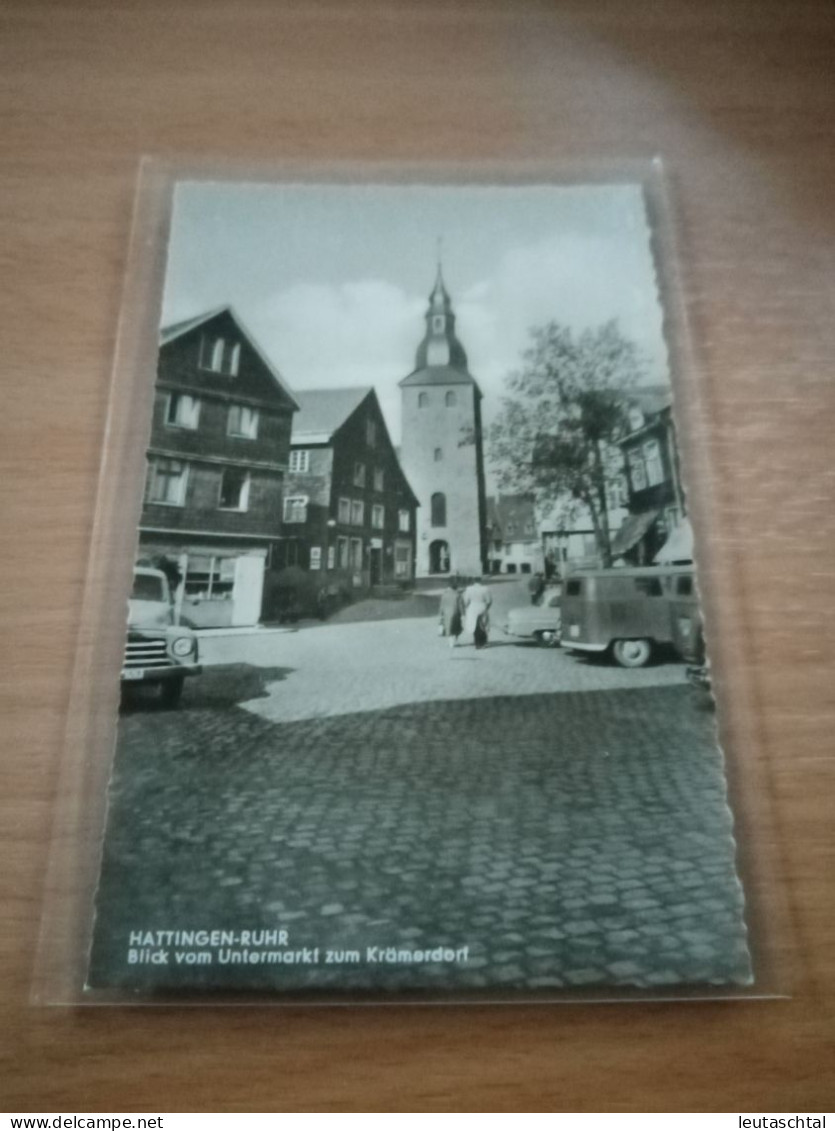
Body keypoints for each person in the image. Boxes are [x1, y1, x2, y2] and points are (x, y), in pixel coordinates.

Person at [462, 577, 492, 649]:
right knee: (483, 625)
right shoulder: (485, 589)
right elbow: (489, 601)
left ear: (473, 581)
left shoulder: (469, 589)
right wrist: (486, 608)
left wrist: (467, 607)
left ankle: (477, 643)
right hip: (482, 606)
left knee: (475, 626)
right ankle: (483, 642)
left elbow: (466, 601)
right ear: (480, 581)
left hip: (472, 608)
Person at [438, 581, 464, 648]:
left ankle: (450, 642)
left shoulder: (444, 594)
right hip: (456, 613)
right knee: (456, 627)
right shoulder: (458, 595)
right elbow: (460, 605)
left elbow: (442, 605)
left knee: (448, 627)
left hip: (447, 613)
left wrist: (441, 613)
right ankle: (453, 640)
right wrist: (462, 613)